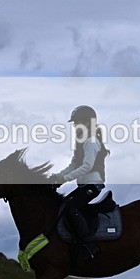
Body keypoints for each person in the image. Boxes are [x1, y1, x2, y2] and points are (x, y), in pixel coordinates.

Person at [49, 105, 110, 262]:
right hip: (83, 185)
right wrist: (58, 176)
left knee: (71, 208)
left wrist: (65, 179)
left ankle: (88, 245)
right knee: (64, 206)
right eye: (75, 123)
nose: (75, 125)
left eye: (77, 122)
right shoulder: (81, 141)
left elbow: (87, 166)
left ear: (87, 122)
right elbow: (74, 165)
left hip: (93, 185)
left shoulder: (91, 141)